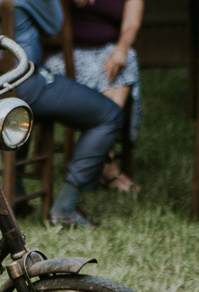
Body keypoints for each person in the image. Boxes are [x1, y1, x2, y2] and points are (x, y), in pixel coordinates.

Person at [0, 0, 125, 227]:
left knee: (23, 106)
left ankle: (17, 194)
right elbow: (54, 27)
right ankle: (65, 209)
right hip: (14, 89)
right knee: (109, 115)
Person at [45, 0, 144, 192]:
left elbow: (132, 22)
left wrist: (121, 49)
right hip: (65, 54)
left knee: (128, 58)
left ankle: (98, 152)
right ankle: (104, 162)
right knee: (103, 73)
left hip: (107, 53)